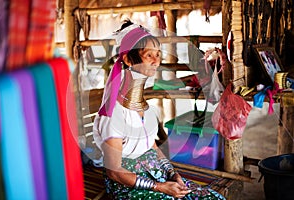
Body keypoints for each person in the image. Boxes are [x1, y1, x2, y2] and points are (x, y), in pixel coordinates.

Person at [92, 20, 225, 200]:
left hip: (156, 173)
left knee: (212, 198)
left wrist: (173, 174)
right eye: (149, 55)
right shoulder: (114, 113)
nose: (156, 61)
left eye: (158, 54)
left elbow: (152, 146)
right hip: (128, 185)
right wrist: (160, 187)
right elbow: (114, 172)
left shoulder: (142, 107)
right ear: (128, 59)